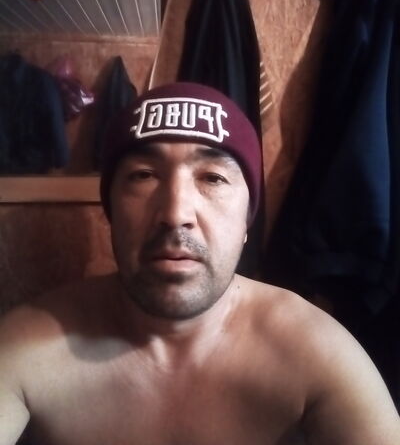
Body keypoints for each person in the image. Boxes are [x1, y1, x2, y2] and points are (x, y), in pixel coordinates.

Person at [0, 82, 399, 445]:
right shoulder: (25, 346)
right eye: (143, 175)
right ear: (111, 213)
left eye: (213, 178)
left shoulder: (316, 351)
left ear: (247, 222)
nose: (175, 213)